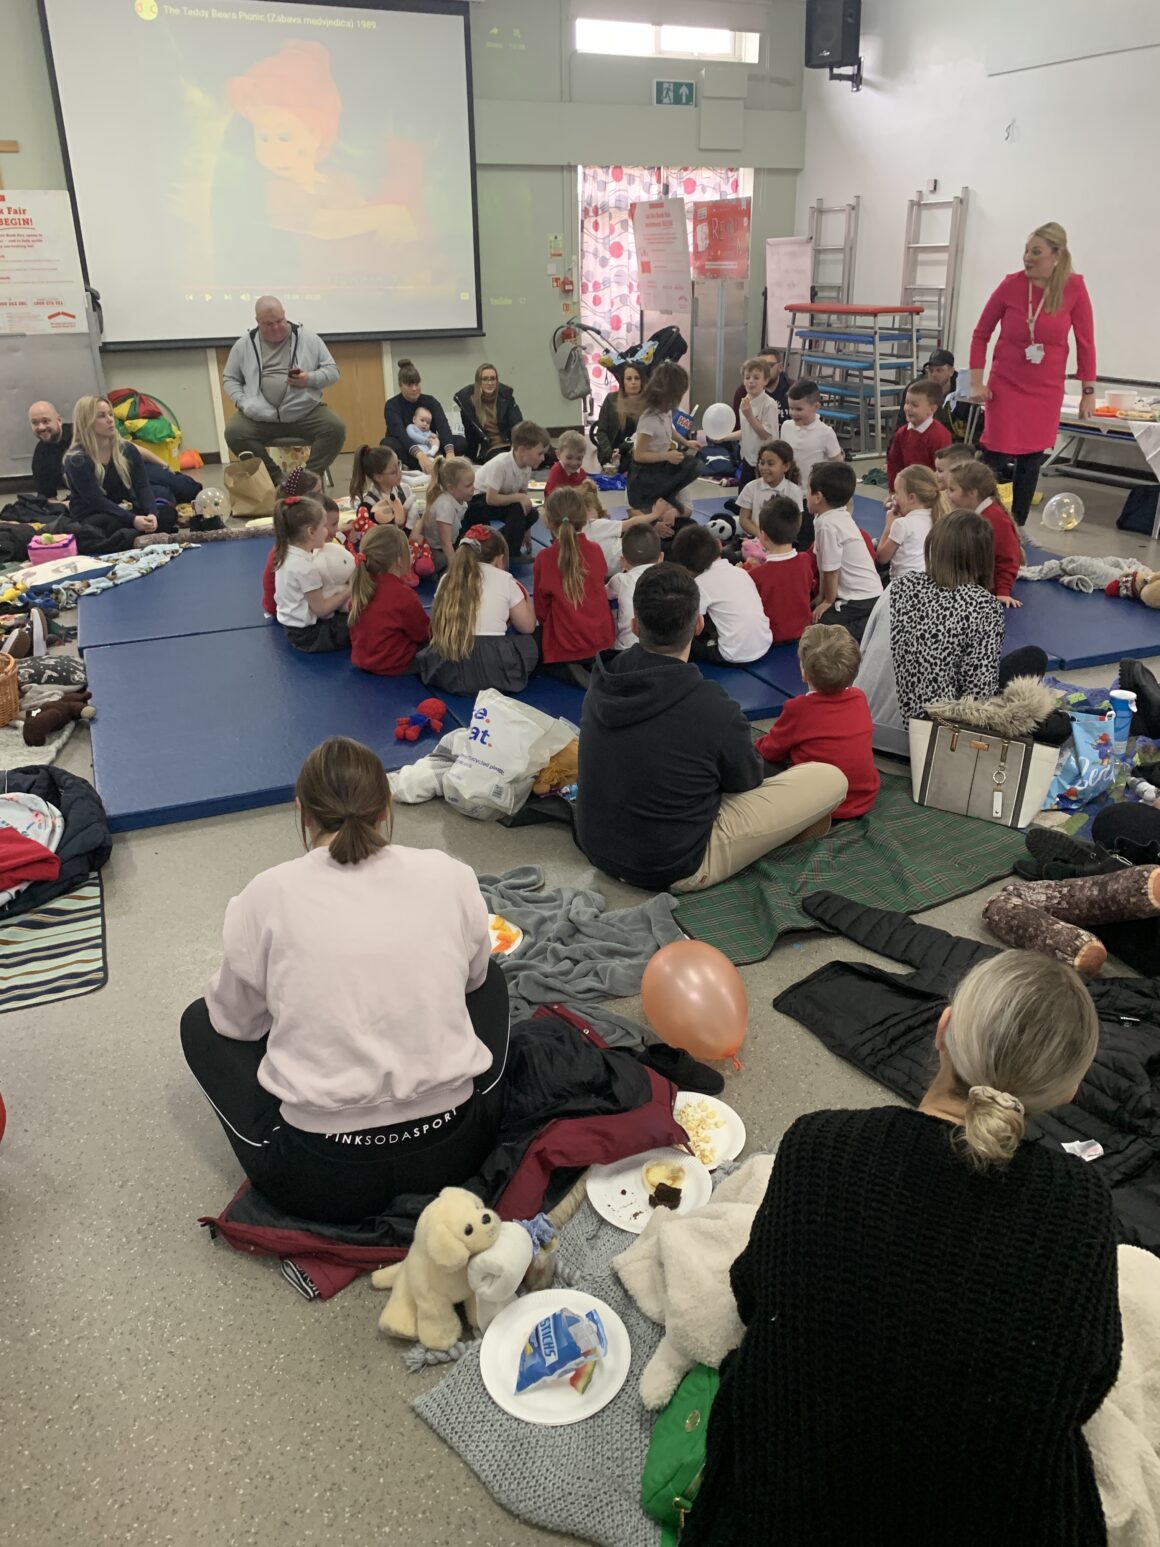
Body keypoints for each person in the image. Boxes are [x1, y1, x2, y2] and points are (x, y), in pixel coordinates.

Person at [683, 947, 1119, 1547]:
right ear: (1068, 1093)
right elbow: (1089, 1383)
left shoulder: (820, 1145)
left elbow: (753, 1294)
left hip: (774, 1514)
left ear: (941, 1030)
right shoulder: (1081, 1204)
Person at [181, 737, 510, 1226]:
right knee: (492, 979)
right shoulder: (449, 873)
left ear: (303, 812)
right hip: (455, 1156)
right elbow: (474, 979)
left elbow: (236, 1026)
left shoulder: (263, 895)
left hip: (320, 1181)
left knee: (199, 1022)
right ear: (386, 806)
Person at [576, 565, 848, 892]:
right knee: (830, 778)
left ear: (634, 626)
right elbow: (746, 782)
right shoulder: (710, 705)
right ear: (699, 625)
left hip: (597, 847)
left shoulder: (603, 678)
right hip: (673, 866)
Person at [855, 512, 1046, 757]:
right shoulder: (983, 606)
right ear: (983, 557)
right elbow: (977, 698)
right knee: (1032, 659)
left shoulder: (898, 585)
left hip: (862, 725)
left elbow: (865, 650)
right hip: (923, 742)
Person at [969, 223, 1097, 525]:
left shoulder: (1074, 288)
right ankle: (974, 518)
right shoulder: (1010, 285)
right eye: (1026, 250)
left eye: (1035, 252)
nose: (1027, 257)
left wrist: (1088, 393)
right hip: (1006, 385)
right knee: (995, 456)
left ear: (1056, 254)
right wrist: (977, 380)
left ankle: (1018, 525)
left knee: (1030, 460)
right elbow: (981, 334)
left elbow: (1086, 342)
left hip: (1045, 389)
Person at [755, 625, 879, 819]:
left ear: (804, 674)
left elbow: (770, 750)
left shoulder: (799, 708)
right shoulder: (859, 698)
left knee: (757, 761)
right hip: (862, 799)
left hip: (819, 804)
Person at [222, 297, 345, 480]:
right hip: (260, 416)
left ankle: (307, 479)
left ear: (285, 315)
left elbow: (333, 372)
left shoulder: (308, 339)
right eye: (269, 324)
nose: (276, 328)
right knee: (234, 432)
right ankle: (276, 479)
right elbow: (230, 378)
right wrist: (244, 401)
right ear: (257, 321)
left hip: (303, 411)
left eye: (280, 321)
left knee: (335, 428)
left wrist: (309, 379)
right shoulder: (244, 345)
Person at [417, 526, 538, 696]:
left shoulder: (447, 578)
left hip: (449, 667)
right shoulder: (505, 580)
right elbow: (528, 627)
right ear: (499, 559)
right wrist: (527, 601)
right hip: (494, 670)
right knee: (531, 644)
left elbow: (437, 623)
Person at [29, 399, 200, 508]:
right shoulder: (41, 458)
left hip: (133, 468)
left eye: (45, 421)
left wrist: (165, 466)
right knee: (163, 495)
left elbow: (134, 450)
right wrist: (73, 503)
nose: (41, 427)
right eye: (35, 423)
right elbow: (48, 499)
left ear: (58, 419)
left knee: (186, 488)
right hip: (114, 488)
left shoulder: (80, 431)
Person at [62, 395, 180, 537]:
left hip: (124, 508)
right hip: (95, 514)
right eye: (101, 416)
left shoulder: (127, 449)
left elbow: (142, 486)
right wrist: (132, 520)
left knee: (167, 513)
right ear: (87, 422)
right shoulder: (76, 459)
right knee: (106, 524)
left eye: (110, 414)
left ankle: (135, 533)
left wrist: (151, 513)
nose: (110, 420)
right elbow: (95, 500)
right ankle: (136, 534)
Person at [534, 487, 614, 682]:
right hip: (602, 640)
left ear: (547, 522)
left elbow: (541, 611)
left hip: (567, 645)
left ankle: (571, 666)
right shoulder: (595, 550)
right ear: (584, 518)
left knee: (529, 639)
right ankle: (591, 664)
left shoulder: (545, 558)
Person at [670, 524, 772, 666]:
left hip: (732, 654)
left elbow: (689, 624)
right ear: (718, 546)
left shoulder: (700, 584)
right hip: (764, 643)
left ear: (686, 567)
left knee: (685, 632)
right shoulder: (740, 572)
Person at [809, 461, 883, 642]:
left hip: (860, 599)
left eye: (807, 491)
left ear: (818, 497)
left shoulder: (826, 524)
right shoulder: (839, 514)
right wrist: (820, 595)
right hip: (872, 595)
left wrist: (827, 601)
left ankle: (871, 628)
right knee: (816, 618)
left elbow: (831, 570)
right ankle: (874, 620)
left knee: (820, 629)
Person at [272, 493, 351, 653]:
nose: (327, 530)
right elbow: (321, 609)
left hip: (292, 628)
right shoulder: (305, 567)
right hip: (310, 636)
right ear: (311, 532)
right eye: (323, 526)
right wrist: (350, 589)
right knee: (363, 620)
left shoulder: (288, 552)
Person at [348, 525, 429, 676]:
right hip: (396, 665)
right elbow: (423, 633)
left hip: (363, 660)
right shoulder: (403, 595)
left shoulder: (361, 586)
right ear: (399, 560)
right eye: (409, 552)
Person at [466, 420, 552, 557]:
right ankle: (511, 553)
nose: (543, 458)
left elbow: (524, 500)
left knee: (532, 513)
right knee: (517, 507)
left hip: (500, 500)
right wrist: (518, 497)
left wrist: (525, 530)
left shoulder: (526, 467)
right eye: (540, 453)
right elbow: (491, 498)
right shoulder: (501, 464)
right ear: (522, 450)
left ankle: (499, 543)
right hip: (477, 502)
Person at [946, 459, 1024, 608]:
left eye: (952, 490)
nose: (948, 495)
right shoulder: (973, 513)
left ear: (972, 493)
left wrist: (1003, 591)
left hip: (986, 590)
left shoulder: (995, 519)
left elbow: (1008, 558)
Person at [626, 362, 700, 519]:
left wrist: (686, 443)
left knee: (692, 464)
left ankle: (670, 494)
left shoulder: (665, 412)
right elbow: (639, 455)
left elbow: (670, 430)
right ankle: (660, 499)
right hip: (645, 471)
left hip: (661, 463)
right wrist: (666, 456)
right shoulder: (649, 419)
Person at [747, 497, 817, 645]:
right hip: (803, 631)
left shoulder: (755, 575)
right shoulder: (805, 560)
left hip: (772, 636)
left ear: (763, 536)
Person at [262, 468, 325, 615]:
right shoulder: (293, 548)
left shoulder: (292, 536)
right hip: (283, 611)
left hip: (281, 607)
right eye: (318, 492)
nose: (322, 497)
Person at [382, 358, 462, 473]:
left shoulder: (431, 401)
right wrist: (420, 455)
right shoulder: (392, 405)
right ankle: (429, 463)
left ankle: (435, 461)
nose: (414, 389)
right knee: (387, 444)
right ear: (400, 386)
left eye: (417, 383)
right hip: (407, 446)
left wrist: (450, 453)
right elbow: (400, 434)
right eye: (409, 385)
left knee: (460, 442)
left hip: (430, 446)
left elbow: (443, 426)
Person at [718, 359, 780, 490]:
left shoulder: (769, 404)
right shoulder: (745, 402)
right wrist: (724, 437)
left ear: (765, 381)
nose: (751, 381)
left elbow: (764, 435)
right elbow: (746, 431)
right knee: (744, 498)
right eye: (747, 377)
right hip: (747, 459)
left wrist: (749, 415)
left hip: (764, 461)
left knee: (761, 500)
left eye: (756, 378)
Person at [875, 464, 941, 580]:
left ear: (911, 498)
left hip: (904, 587)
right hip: (928, 582)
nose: (894, 497)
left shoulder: (902, 524)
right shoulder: (936, 516)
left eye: (897, 492)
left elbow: (882, 557)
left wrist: (889, 525)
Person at [886, 379, 952, 490]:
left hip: (930, 492)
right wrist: (893, 492)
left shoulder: (939, 436)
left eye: (914, 405)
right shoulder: (902, 433)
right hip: (906, 489)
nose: (908, 408)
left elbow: (943, 471)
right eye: (907, 403)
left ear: (931, 409)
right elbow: (894, 463)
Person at [454, 363, 523, 465]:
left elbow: (517, 424)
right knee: (503, 462)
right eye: (485, 379)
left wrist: (517, 446)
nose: (489, 382)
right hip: (491, 449)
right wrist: (470, 461)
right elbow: (470, 436)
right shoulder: (468, 403)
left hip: (511, 444)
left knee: (545, 454)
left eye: (493, 379)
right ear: (478, 382)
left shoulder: (506, 397)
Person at [607, 524, 662, 651]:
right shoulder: (671, 578)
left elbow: (601, 595)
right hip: (664, 649)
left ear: (622, 561)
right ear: (661, 557)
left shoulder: (620, 580)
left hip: (625, 650)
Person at [734, 440, 803, 541]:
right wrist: (761, 535)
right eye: (762, 463)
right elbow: (744, 519)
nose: (764, 468)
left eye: (770, 464)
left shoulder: (794, 491)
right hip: (755, 540)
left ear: (786, 466)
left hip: (782, 542)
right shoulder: (751, 487)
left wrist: (780, 539)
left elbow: (797, 522)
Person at [781, 380, 842, 493]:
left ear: (816, 406)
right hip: (788, 492)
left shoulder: (825, 432)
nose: (794, 413)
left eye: (799, 409)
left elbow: (839, 465)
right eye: (791, 408)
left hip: (814, 494)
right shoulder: (786, 427)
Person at [348, 444, 413, 546]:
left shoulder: (405, 489)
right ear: (378, 477)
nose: (399, 473)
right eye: (393, 472)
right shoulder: (369, 504)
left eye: (399, 465)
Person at [421, 455, 476, 571]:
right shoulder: (445, 506)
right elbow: (445, 543)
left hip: (451, 542)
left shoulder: (460, 500)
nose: (473, 488)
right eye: (468, 486)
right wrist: (455, 570)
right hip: (435, 550)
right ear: (451, 488)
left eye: (473, 484)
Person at [594, 362, 647, 471]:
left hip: (637, 451)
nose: (633, 382)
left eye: (637, 378)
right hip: (612, 451)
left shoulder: (649, 403)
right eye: (629, 378)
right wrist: (609, 453)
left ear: (642, 381)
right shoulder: (611, 399)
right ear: (623, 382)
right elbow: (601, 431)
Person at [731, 346, 793, 423]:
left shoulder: (792, 389)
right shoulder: (744, 390)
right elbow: (737, 424)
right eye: (760, 366)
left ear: (780, 367)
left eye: (769, 365)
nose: (764, 370)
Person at [544, 430, 589, 499]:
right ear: (558, 454)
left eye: (579, 458)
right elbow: (552, 498)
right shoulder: (556, 472)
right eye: (569, 458)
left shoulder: (582, 473)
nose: (574, 463)